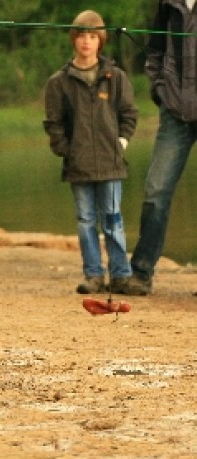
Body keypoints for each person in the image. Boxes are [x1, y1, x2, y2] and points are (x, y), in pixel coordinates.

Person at [43, 10, 138, 295]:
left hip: (111, 163)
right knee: (86, 222)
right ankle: (94, 275)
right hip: (78, 165)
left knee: (113, 218)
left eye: (93, 36)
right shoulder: (59, 82)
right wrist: (67, 151)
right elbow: (53, 123)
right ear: (74, 39)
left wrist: (121, 142)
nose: (87, 41)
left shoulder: (115, 77)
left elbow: (129, 114)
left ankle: (121, 275)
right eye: (82, 35)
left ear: (101, 41)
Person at [126, 0, 197, 296]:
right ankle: (141, 273)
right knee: (156, 191)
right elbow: (154, 51)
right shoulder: (167, 4)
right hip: (174, 113)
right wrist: (159, 89)